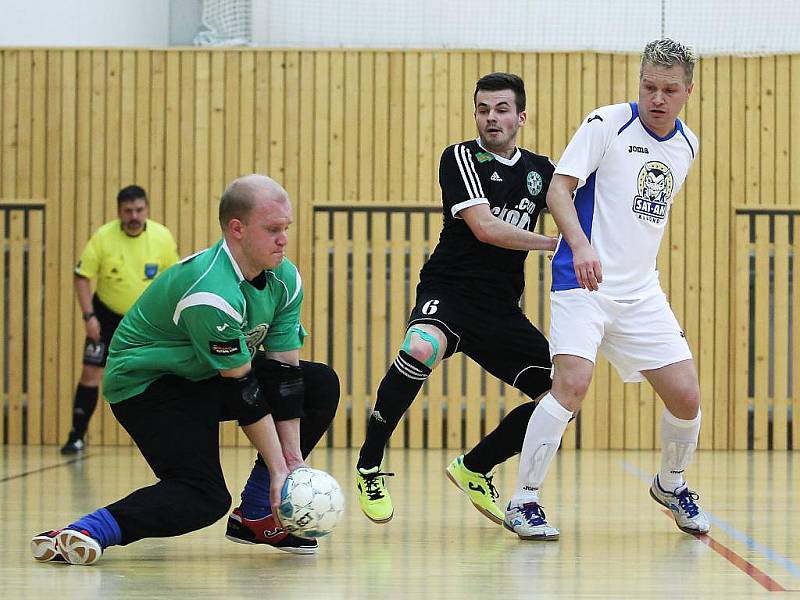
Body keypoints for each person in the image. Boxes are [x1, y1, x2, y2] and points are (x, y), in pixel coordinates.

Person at [32, 175, 339, 565]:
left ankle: (259, 512)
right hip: (148, 387)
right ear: (237, 229)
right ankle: (88, 530)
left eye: (287, 229)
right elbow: (245, 390)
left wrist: (292, 465)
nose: (284, 239)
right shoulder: (211, 293)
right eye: (273, 229)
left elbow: (284, 373)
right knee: (202, 497)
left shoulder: (285, 278)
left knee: (318, 383)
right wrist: (280, 468)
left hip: (202, 374)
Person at [504, 39, 710, 541]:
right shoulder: (607, 123)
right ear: (638, 82)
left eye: (668, 90)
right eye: (648, 86)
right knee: (570, 385)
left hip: (641, 293)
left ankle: (670, 482)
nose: (656, 98)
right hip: (582, 280)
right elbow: (558, 188)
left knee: (687, 397)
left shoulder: (687, 146)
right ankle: (523, 499)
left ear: (687, 91)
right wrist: (581, 246)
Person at [355, 72, 558, 525]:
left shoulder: (541, 171)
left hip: (500, 307)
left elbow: (578, 203)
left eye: (502, 109)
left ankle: (475, 467)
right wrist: (555, 245)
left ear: (521, 117)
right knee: (420, 347)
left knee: (560, 397)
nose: (492, 119)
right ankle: (370, 463)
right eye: (483, 110)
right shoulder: (461, 157)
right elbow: (486, 228)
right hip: (450, 290)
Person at [61, 185, 179, 454]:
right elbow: (82, 276)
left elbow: (173, 280)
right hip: (105, 316)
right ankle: (76, 435)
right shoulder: (103, 237)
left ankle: (163, 438)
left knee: (162, 375)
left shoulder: (162, 237)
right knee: (91, 372)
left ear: (146, 209)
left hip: (146, 321)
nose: (134, 216)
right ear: (119, 212)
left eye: (139, 210)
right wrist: (88, 316)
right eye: (128, 211)